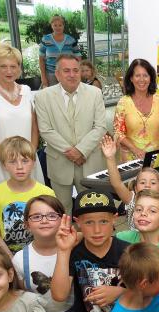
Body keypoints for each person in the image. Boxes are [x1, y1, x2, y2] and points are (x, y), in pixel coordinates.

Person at [12, 195, 76, 312]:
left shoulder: (73, 250)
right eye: (37, 216)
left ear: (63, 219)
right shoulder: (19, 259)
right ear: (26, 224)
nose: (45, 220)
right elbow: (21, 294)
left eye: (51, 215)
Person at [34, 54, 108, 214]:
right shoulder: (42, 97)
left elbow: (100, 126)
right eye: (66, 71)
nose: (72, 74)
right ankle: (65, 236)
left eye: (76, 70)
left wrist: (81, 150)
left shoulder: (95, 93)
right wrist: (72, 152)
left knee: (91, 207)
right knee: (62, 209)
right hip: (59, 162)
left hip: (89, 161)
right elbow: (45, 130)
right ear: (57, 73)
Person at [0, 43, 42, 184]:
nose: (9, 71)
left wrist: (30, 156)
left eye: (13, 66)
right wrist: (6, 159)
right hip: (1, 160)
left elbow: (34, 127)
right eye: (3, 66)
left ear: (19, 68)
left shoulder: (26, 90)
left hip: (28, 159)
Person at [0, 137, 56, 255]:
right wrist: (11, 258)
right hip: (8, 255)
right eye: (12, 162)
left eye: (25, 161)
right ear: (4, 165)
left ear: (33, 162)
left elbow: (53, 229)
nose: (19, 167)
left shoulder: (47, 193)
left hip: (42, 253)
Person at [100, 134, 159, 233]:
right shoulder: (132, 200)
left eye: (153, 182)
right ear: (135, 188)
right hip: (134, 245)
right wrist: (110, 158)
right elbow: (116, 183)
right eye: (143, 182)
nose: (147, 185)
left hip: (155, 247)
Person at [113, 58, 159, 161]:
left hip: (155, 159)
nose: (142, 79)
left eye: (145, 75)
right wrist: (135, 150)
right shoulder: (123, 103)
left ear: (150, 78)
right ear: (131, 78)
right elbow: (118, 132)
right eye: (137, 75)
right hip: (130, 160)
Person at [38, 14, 82, 88]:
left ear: (63, 26)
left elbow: (78, 57)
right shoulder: (46, 39)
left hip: (68, 74)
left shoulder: (71, 40)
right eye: (55, 25)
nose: (57, 27)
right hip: (51, 75)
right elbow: (41, 59)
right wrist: (43, 77)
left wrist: (78, 73)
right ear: (51, 26)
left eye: (60, 25)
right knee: (52, 96)